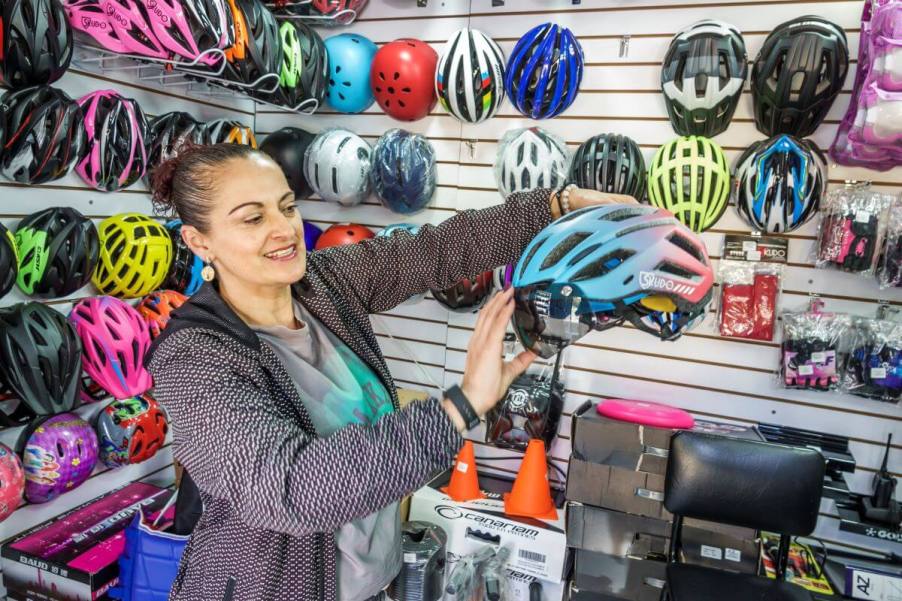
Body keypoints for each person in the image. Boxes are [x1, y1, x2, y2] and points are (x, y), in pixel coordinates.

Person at [146, 142, 636, 601]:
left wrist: (557, 206)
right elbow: (289, 488)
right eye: (253, 218)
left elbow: (438, 250)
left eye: (287, 206)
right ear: (199, 241)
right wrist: (461, 407)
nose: (283, 229)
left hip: (371, 584)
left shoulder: (323, 284)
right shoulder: (194, 356)